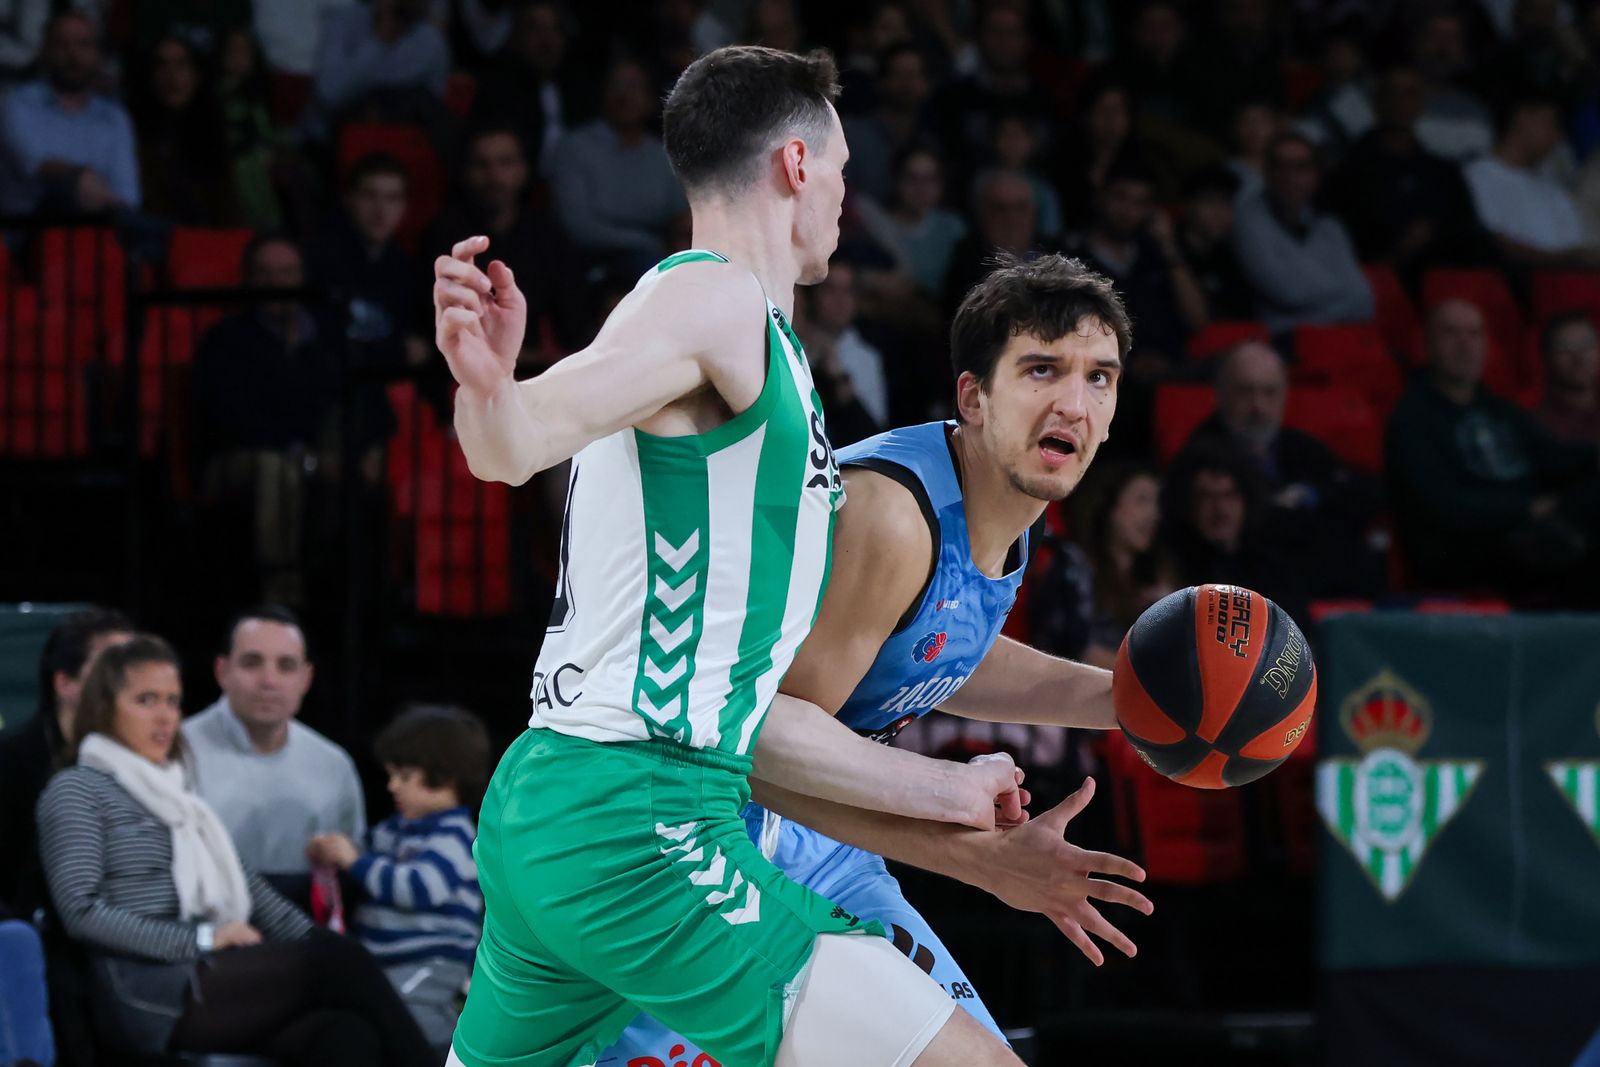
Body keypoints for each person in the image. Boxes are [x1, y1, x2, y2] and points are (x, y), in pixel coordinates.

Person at [433, 45, 1029, 1067]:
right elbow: (513, 443)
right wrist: (492, 389)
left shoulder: (750, 343)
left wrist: (947, 792)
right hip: (642, 820)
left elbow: (743, 721)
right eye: (840, 171)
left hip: (564, 803)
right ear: (797, 164)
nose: (846, 197)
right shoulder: (710, 301)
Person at [603, 253, 1156, 1066]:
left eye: (1099, 378)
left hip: (826, 847)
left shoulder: (1006, 505)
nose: (1074, 402)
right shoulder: (893, 517)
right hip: (704, 840)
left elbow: (938, 649)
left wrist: (1130, 702)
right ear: (974, 395)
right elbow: (760, 756)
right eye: (1042, 370)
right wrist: (981, 858)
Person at [35, 635, 433, 1065]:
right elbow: (82, 912)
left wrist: (312, 942)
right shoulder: (76, 789)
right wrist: (204, 938)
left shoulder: (175, 790)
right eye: (146, 700)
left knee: (344, 1036)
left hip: (214, 971)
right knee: (338, 962)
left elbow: (253, 892)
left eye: (172, 701)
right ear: (105, 706)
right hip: (147, 989)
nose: (165, 717)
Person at [1386, 299, 1600, 603]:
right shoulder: (1412, 417)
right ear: (1428, 345)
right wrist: (1526, 509)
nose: (1465, 345)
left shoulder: (1498, 409)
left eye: (1474, 334)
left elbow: (1556, 458)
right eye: (1451, 333)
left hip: (1532, 531)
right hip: (1470, 547)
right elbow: (1439, 506)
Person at [307, 704, 489, 1058]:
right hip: (383, 966)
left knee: (410, 1027)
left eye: (404, 776)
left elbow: (417, 887)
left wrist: (354, 860)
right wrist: (332, 852)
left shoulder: (457, 837)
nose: (392, 786)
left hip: (431, 969)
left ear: (445, 776)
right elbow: (364, 856)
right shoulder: (394, 830)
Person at [182, 607, 366, 905]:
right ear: (222, 671)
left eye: (286, 666)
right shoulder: (175, 753)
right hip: (203, 935)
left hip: (305, 938)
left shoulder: (334, 765)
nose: (269, 680)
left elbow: (353, 872)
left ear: (306, 678)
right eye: (252, 663)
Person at [0, 607, 133, 919]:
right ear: (65, 683)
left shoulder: (146, 764)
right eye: (113, 670)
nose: (130, 683)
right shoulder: (10, 764)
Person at [0, 11, 139, 215]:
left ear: (98, 54)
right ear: (44, 50)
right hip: (28, 233)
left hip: (99, 232)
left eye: (83, 44)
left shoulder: (114, 117)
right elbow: (36, 166)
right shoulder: (20, 104)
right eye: (61, 43)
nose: (73, 54)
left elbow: (127, 195)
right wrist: (79, 177)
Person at [1535, 311, 1600, 445]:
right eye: (1565, 348)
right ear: (1546, 358)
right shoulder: (1542, 426)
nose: (1580, 358)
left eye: (1587, 344)